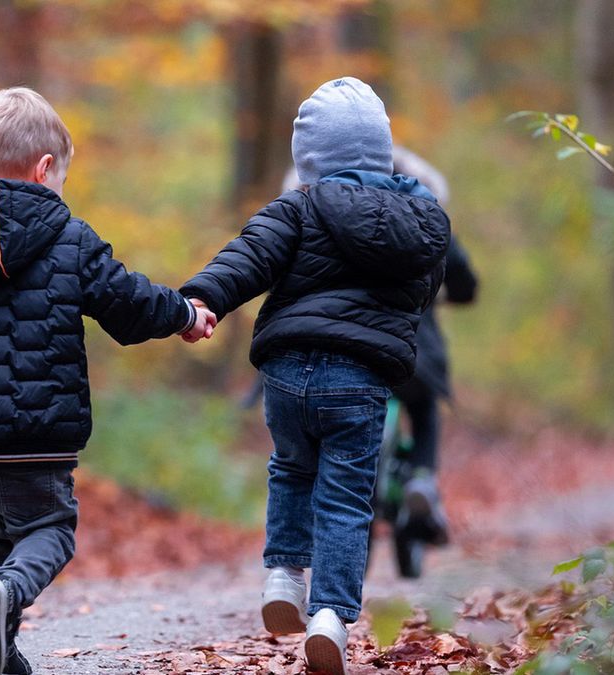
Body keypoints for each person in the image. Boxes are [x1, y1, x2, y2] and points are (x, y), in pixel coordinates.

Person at [0, 87, 215, 675]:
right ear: (44, 168)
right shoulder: (67, 236)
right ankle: (6, 597)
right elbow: (125, 302)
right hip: (38, 431)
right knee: (50, 528)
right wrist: (182, 314)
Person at [180, 77, 450, 675]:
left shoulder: (296, 207)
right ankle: (330, 616)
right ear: (382, 149)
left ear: (309, 158)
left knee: (291, 469)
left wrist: (200, 301)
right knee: (348, 497)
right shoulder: (423, 220)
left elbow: (247, 258)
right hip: (359, 382)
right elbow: (423, 293)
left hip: (286, 373)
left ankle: (282, 575)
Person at [388, 146, 478, 547]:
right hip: (414, 348)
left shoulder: (330, 210)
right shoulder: (428, 220)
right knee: (423, 408)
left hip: (351, 347)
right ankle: (423, 477)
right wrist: (449, 293)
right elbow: (464, 282)